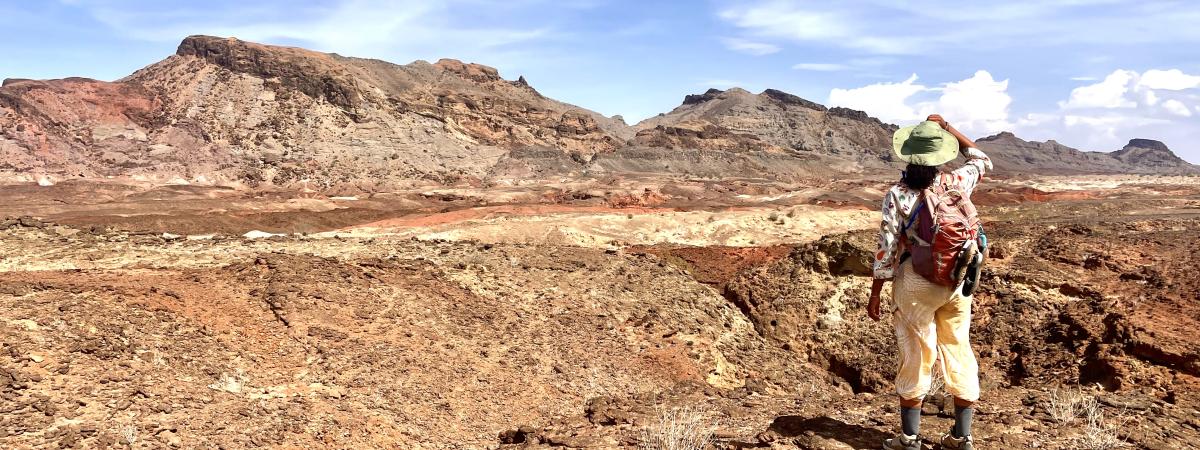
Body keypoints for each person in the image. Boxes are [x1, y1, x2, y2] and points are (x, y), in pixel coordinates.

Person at [868, 114, 992, 450]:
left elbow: (887, 248)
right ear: (941, 154)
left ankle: (909, 438)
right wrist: (949, 128)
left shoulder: (898, 194)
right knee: (958, 348)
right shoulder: (957, 181)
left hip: (916, 283)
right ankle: (961, 437)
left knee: (916, 354)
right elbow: (981, 159)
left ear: (908, 155)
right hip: (957, 280)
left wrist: (876, 292)